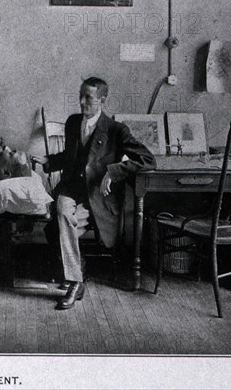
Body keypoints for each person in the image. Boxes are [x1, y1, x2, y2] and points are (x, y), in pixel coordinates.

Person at [32, 77, 156, 310]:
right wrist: (49, 161)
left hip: (97, 197)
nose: (81, 102)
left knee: (63, 225)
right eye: (80, 95)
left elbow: (148, 159)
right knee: (61, 210)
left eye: (87, 97)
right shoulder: (72, 122)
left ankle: (75, 275)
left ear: (102, 100)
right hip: (71, 190)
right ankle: (76, 281)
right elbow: (72, 159)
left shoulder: (116, 130)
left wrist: (113, 171)